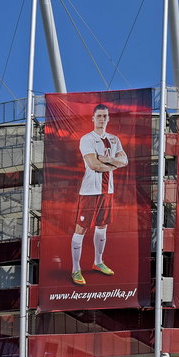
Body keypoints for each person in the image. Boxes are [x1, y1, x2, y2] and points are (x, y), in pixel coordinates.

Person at [71, 104, 128, 286]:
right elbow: (94, 165)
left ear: (108, 118)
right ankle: (75, 269)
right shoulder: (87, 139)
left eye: (105, 116)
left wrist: (110, 160)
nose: (102, 119)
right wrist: (114, 165)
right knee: (81, 228)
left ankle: (98, 262)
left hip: (107, 191)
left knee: (102, 226)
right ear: (93, 119)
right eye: (99, 116)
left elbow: (125, 161)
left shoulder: (114, 139)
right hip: (89, 192)